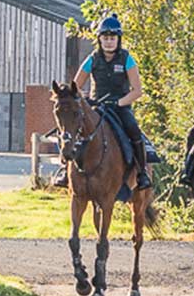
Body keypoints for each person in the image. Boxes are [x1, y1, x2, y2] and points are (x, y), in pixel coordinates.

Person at [65, 14, 157, 191]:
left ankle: (141, 173)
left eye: (112, 38)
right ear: (99, 39)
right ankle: (65, 170)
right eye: (105, 38)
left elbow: (137, 91)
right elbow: (75, 88)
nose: (108, 42)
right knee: (72, 129)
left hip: (120, 107)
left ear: (118, 39)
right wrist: (84, 101)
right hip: (97, 107)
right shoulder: (92, 59)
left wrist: (120, 102)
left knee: (134, 130)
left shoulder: (126, 59)